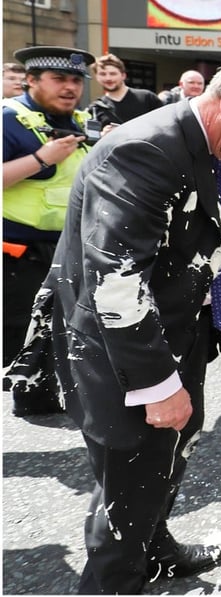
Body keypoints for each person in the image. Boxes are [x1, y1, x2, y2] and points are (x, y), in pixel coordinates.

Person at [6, 54, 221, 593]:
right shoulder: (146, 150)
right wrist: (157, 384)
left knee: (169, 456)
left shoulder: (211, 147)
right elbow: (116, 282)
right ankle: (113, 581)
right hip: (125, 354)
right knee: (131, 479)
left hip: (178, 330)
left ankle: (156, 550)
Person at [2, 46, 96, 416]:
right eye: (59, 79)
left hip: (64, 249)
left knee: (50, 330)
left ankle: (35, 398)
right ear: (31, 80)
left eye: (76, 80)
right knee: (11, 335)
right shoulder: (10, 120)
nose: (70, 87)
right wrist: (42, 159)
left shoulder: (82, 121)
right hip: (15, 253)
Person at [86, 53, 163, 130]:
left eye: (113, 74)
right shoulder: (95, 108)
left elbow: (164, 126)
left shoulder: (147, 98)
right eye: (102, 74)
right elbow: (91, 139)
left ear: (123, 75)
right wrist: (102, 135)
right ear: (96, 77)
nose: (108, 78)